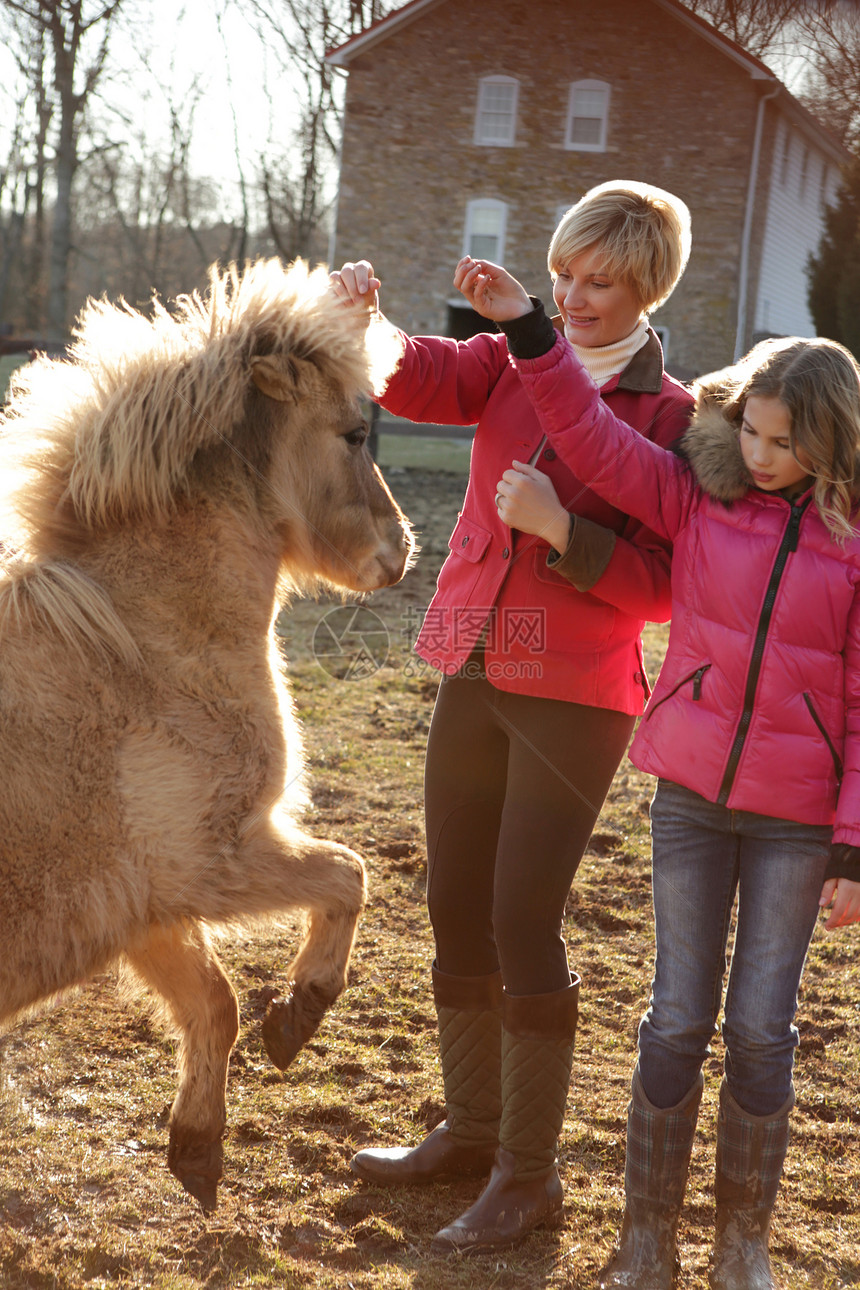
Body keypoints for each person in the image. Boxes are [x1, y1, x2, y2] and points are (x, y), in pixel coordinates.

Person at [455, 256, 860, 1287]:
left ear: (830, 443)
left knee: (761, 1032)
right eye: (753, 434)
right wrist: (532, 332)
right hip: (687, 800)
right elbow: (592, 438)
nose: (763, 458)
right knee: (675, 1015)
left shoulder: (850, 547)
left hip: (795, 824)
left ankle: (740, 1247)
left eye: (786, 444)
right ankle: (644, 1245)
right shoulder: (694, 497)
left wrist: (853, 847)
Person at [329, 180, 695, 1255]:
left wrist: (562, 534)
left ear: (645, 290)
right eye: (563, 277)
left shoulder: (670, 418)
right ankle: (471, 1127)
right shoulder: (499, 364)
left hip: (576, 693)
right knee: (451, 903)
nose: (573, 297)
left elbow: (665, 587)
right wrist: (363, 314)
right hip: (476, 663)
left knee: (520, 917)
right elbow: (410, 372)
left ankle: (527, 1177)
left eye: (600, 283)